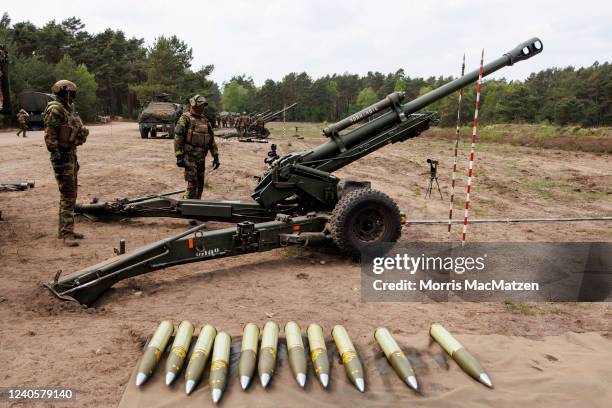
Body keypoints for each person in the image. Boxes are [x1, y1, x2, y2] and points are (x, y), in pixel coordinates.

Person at [43, 80, 89, 246]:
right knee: (67, 194)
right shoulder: (55, 109)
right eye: (71, 92)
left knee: (72, 194)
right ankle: (65, 233)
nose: (73, 96)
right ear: (64, 92)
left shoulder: (66, 109)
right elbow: (50, 135)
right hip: (62, 156)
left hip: (69, 155)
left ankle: (67, 229)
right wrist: (56, 155)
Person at [174, 94, 220, 199]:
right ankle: (187, 205)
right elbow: (178, 137)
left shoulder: (205, 120)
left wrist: (216, 156)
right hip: (189, 157)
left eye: (204, 106)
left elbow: (211, 140)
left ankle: (197, 204)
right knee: (192, 183)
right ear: (194, 105)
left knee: (200, 184)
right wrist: (178, 155)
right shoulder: (185, 118)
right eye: (201, 106)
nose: (203, 108)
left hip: (201, 157)